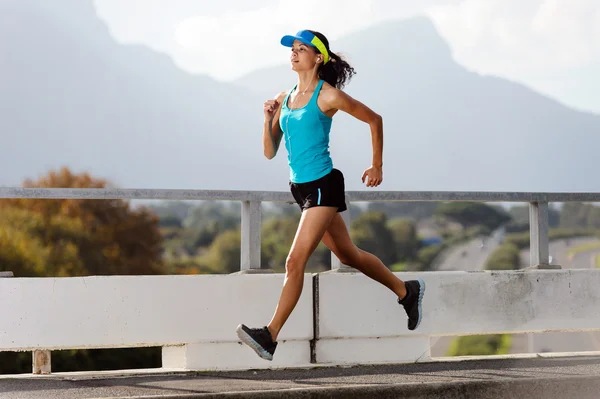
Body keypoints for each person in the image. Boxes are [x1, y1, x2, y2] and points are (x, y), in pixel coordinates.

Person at [236, 29, 425, 361]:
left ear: (318, 57)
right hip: (301, 189)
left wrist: (376, 165)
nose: (293, 54)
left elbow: (374, 119)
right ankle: (405, 291)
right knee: (349, 254)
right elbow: (269, 152)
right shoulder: (286, 96)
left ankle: (270, 336)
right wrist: (266, 120)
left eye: (301, 49)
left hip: (324, 184)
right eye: (292, 49)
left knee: (294, 261)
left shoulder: (328, 96)